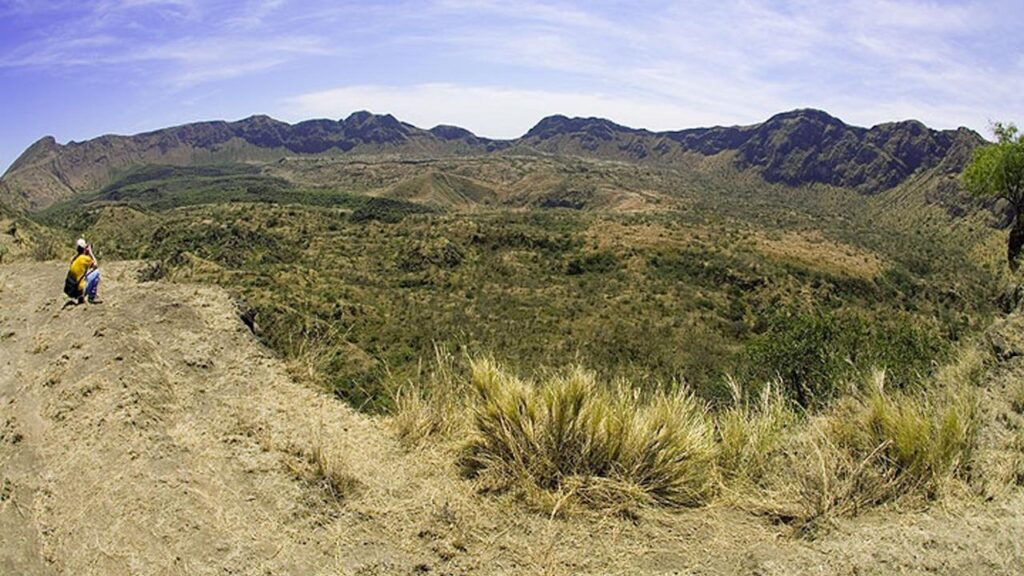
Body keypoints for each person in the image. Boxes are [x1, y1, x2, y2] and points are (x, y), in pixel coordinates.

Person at [64, 238, 102, 304]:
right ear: (84, 249)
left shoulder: (75, 258)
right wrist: (90, 252)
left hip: (72, 289)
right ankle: (92, 297)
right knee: (96, 273)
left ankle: (80, 297)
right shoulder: (85, 259)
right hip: (79, 289)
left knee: (83, 276)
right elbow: (96, 265)